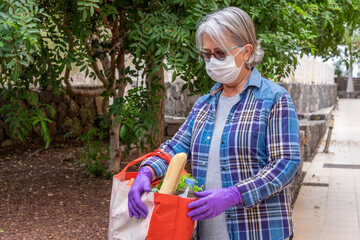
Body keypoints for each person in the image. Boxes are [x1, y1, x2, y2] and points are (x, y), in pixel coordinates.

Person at [128, 6, 300, 240]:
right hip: (206, 232)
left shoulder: (274, 99)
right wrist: (146, 171)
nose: (212, 61)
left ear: (246, 52)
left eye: (220, 53)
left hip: (259, 232)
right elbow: (175, 148)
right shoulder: (204, 104)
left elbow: (285, 164)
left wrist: (234, 194)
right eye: (207, 54)